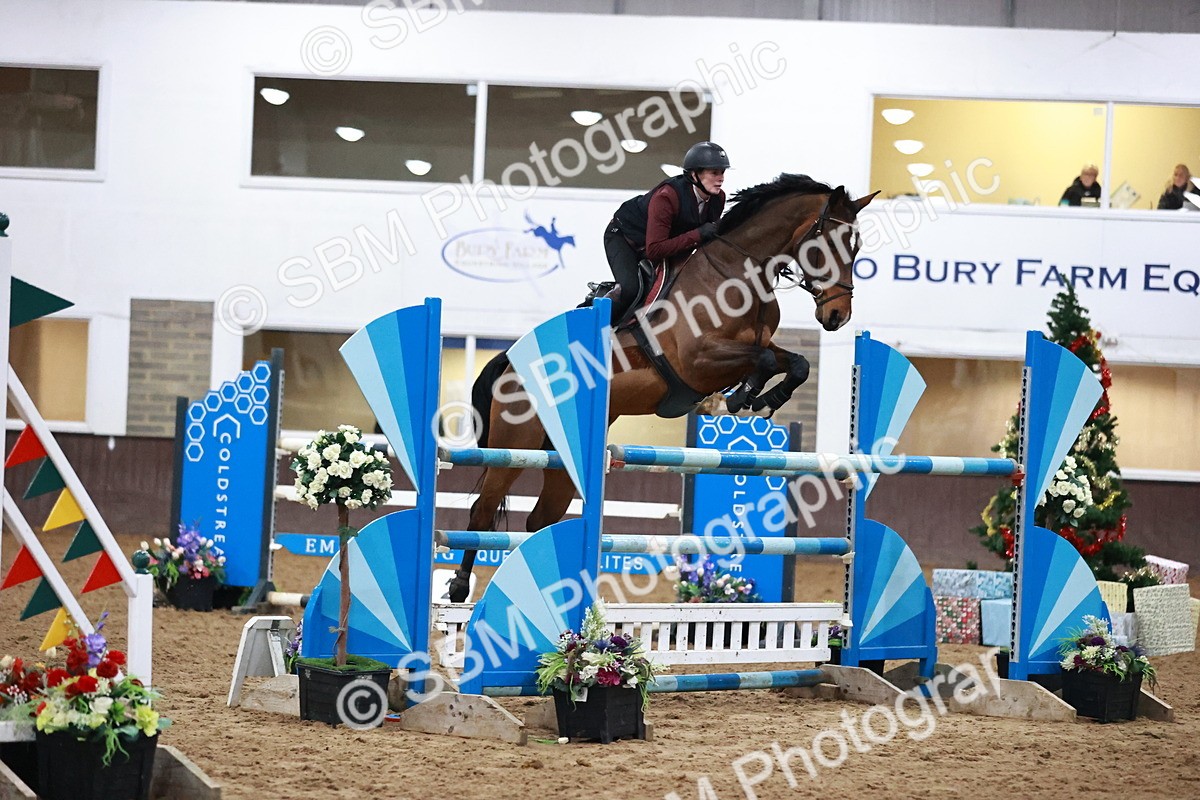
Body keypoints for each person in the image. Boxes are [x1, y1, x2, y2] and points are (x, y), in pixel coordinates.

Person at [600, 141, 729, 324]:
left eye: (722, 172)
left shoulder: (718, 198)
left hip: (658, 242)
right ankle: (594, 327)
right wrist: (698, 234)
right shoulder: (667, 196)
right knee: (631, 289)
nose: (721, 178)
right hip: (623, 237)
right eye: (714, 172)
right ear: (694, 174)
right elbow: (655, 250)